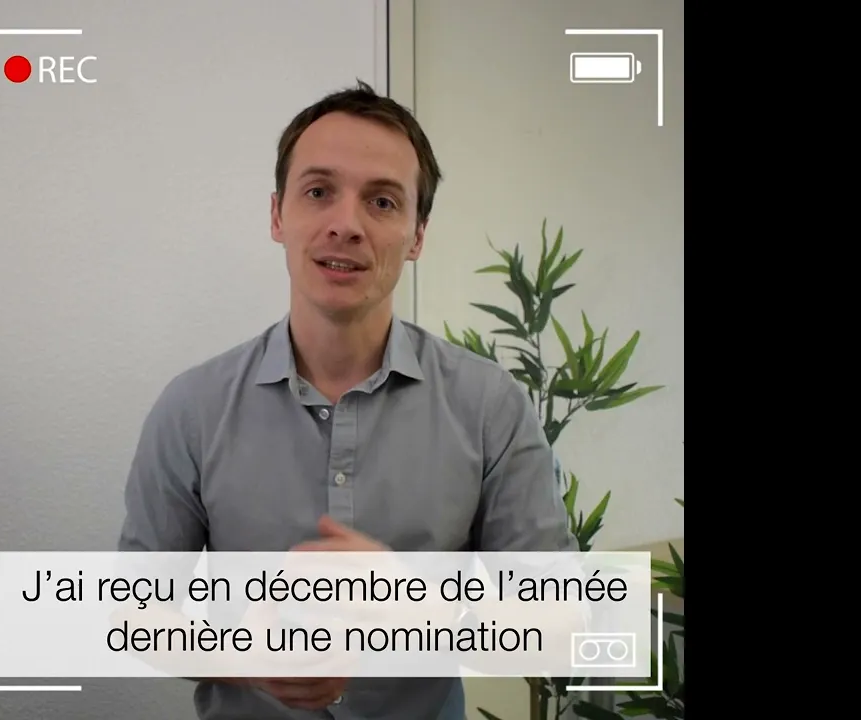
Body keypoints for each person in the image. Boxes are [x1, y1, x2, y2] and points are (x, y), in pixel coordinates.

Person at [118, 80, 577, 720]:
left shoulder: (490, 406)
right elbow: (136, 616)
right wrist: (247, 655)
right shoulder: (191, 408)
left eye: (382, 202)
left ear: (417, 236)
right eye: (318, 192)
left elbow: (558, 623)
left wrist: (411, 603)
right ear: (277, 216)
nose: (346, 225)